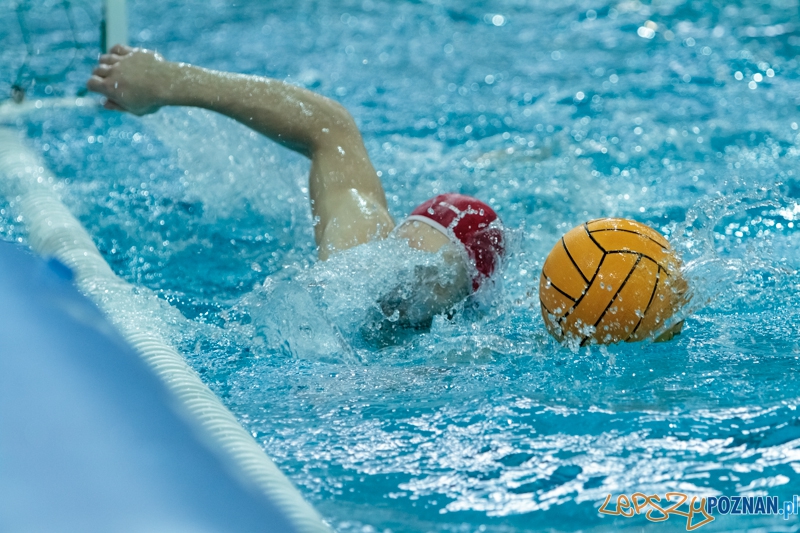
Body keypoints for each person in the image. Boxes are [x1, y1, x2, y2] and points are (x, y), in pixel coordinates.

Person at [87, 45, 506, 332]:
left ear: (461, 300)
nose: (404, 276)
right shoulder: (359, 252)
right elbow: (329, 128)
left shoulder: (462, 355)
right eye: (404, 252)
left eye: (429, 272)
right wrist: (169, 80)